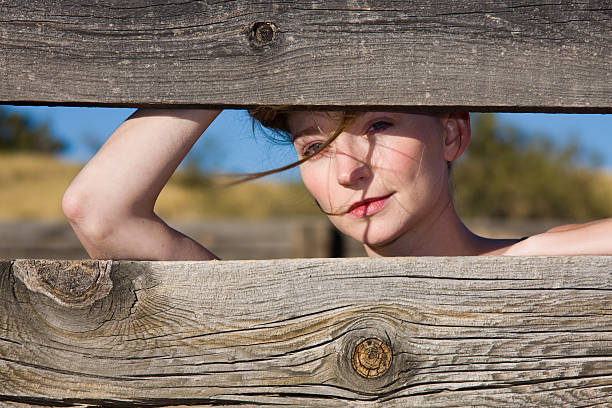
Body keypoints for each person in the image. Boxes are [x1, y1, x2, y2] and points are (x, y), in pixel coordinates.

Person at [62, 108, 612, 260]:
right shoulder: (277, 315)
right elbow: (100, 210)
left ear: (452, 135)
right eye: (314, 147)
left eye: (378, 126)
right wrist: (237, 55)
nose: (348, 170)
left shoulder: (542, 262)